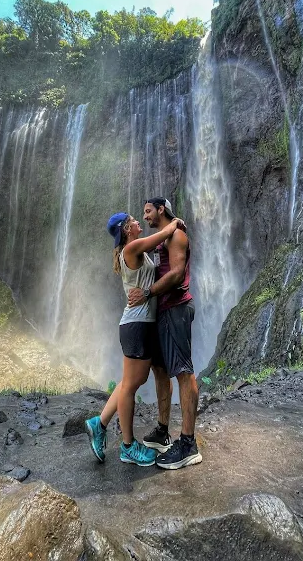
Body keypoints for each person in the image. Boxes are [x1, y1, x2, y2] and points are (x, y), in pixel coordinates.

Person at [85, 211, 182, 466]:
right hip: (136, 324)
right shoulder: (133, 248)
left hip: (142, 324)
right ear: (127, 229)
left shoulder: (132, 250)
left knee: (130, 381)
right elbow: (162, 235)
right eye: (134, 221)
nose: (140, 221)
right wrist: (174, 222)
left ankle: (99, 423)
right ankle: (127, 446)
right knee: (131, 385)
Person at [128, 197, 202, 470]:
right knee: (160, 369)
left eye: (148, 211)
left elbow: (177, 272)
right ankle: (162, 431)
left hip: (176, 309)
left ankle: (188, 443)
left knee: (183, 371)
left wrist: (147, 293)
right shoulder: (164, 236)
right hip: (162, 312)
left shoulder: (177, 235)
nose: (144, 216)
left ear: (161, 209)